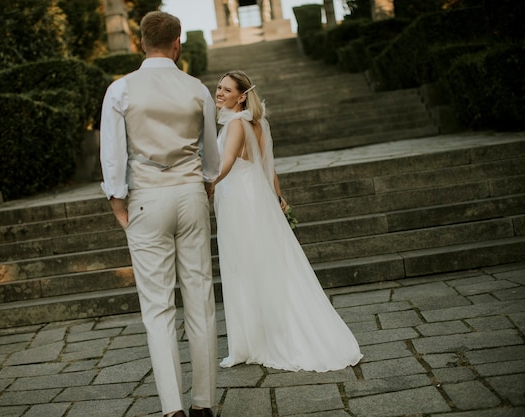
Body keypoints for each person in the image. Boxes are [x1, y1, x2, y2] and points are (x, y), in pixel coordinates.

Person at [99, 11, 220, 417]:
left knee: (157, 307)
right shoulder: (197, 89)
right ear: (177, 43)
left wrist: (117, 200)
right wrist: (203, 182)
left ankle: (173, 409)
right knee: (200, 298)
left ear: (140, 43)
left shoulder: (120, 90)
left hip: (147, 198)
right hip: (189, 194)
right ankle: (203, 404)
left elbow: (112, 153)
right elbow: (211, 153)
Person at [211, 70, 363, 372]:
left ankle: (250, 344)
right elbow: (270, 169)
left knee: (243, 267)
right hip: (255, 197)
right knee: (266, 265)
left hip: (240, 200)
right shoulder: (255, 124)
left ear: (241, 96)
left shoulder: (237, 124)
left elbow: (227, 162)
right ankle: (257, 337)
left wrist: (209, 183)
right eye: (218, 87)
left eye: (227, 90)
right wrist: (278, 198)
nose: (219, 93)